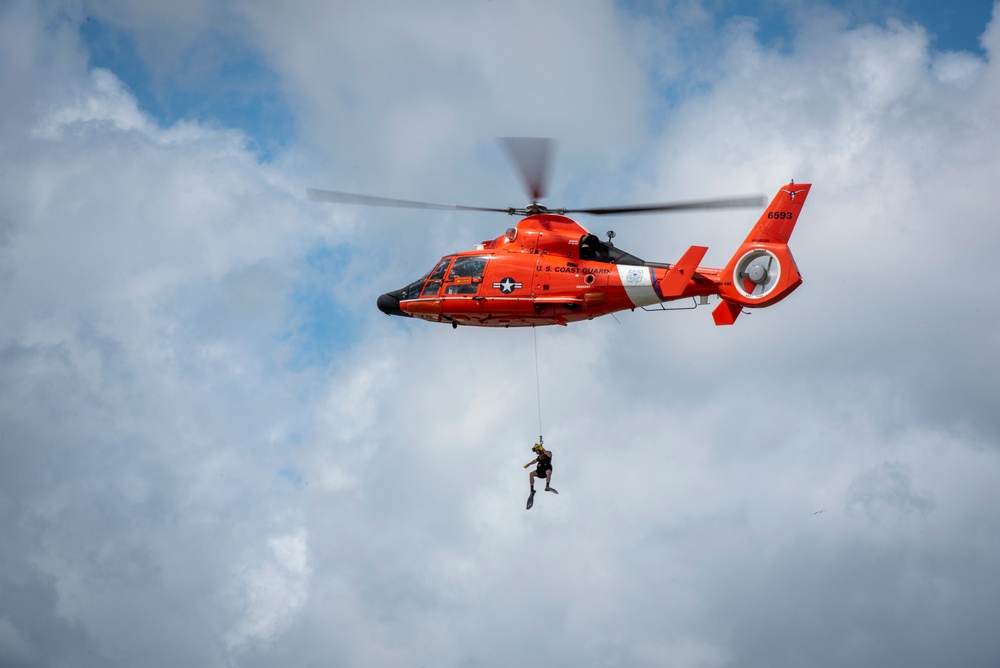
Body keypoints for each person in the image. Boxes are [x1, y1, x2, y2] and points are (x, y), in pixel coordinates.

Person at [524, 443, 557, 508]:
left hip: (546, 469)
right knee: (531, 474)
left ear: (539, 449)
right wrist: (528, 464)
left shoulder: (547, 452)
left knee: (548, 472)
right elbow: (534, 461)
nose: (536, 452)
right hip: (540, 471)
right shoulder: (539, 457)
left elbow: (549, 455)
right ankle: (532, 490)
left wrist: (543, 449)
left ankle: (547, 486)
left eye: (536, 450)